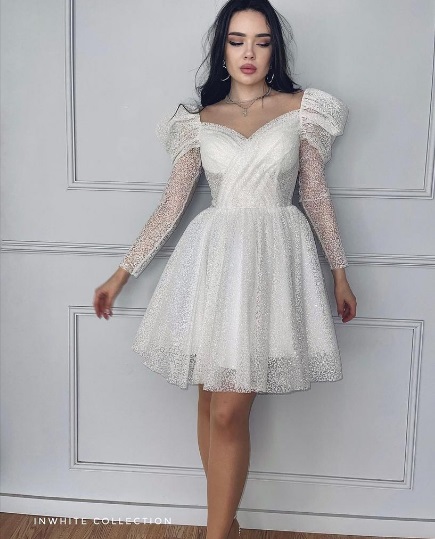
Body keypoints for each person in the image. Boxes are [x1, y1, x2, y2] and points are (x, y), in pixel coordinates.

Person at [93, 1, 357, 537]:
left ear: (275, 50)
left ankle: (216, 533)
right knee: (211, 402)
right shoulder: (198, 122)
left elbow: (314, 194)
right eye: (237, 41)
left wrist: (339, 271)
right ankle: (224, 525)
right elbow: (171, 205)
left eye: (261, 41)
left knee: (228, 411)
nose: (249, 53)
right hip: (213, 265)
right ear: (222, 49)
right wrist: (121, 274)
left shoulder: (302, 110)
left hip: (273, 263)